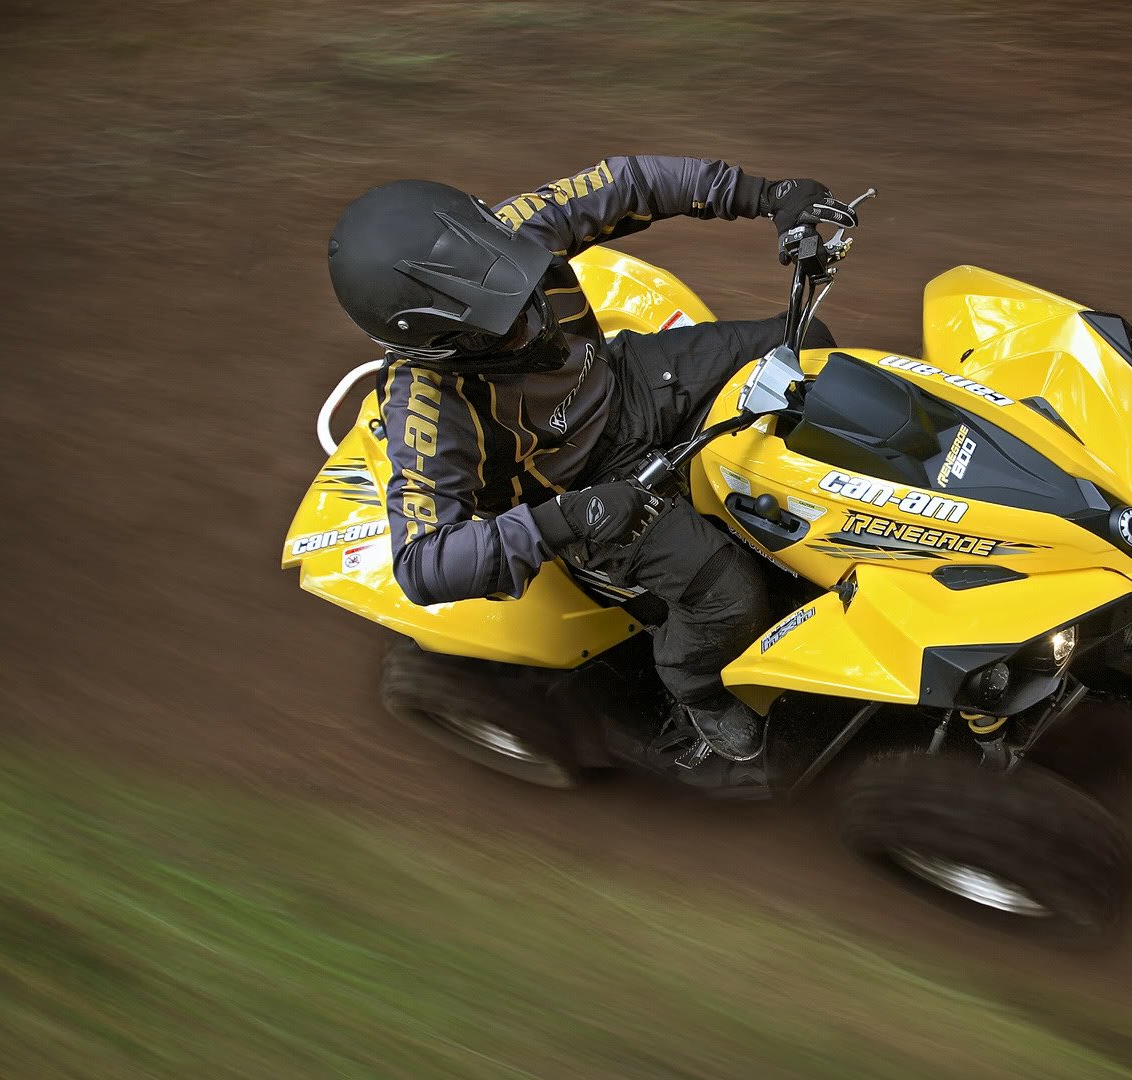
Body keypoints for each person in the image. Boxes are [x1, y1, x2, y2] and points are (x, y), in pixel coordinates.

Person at [325, 157, 855, 766]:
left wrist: (771, 195)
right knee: (729, 600)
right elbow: (422, 565)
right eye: (500, 326)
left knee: (811, 351)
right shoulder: (426, 406)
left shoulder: (520, 225)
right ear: (433, 343)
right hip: (577, 487)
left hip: (630, 383)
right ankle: (694, 690)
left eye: (522, 287)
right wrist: (571, 519)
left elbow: (634, 182)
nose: (530, 322)